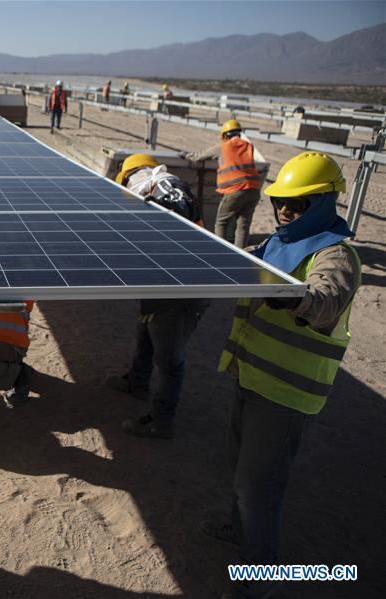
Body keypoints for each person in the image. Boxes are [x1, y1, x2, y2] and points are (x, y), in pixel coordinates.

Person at [202, 152, 361, 599]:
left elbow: (326, 298)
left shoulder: (335, 253)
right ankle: (240, 533)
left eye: (297, 205)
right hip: (253, 374)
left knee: (258, 489)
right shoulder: (281, 242)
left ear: (324, 203)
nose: (285, 212)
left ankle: (259, 579)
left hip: (287, 393)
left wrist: (290, 297)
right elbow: (246, 261)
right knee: (239, 472)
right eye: (280, 203)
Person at [106, 154, 209, 439]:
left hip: (183, 289)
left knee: (169, 360)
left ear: (136, 173)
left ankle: (162, 420)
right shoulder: (151, 189)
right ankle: (137, 383)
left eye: (126, 182)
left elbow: (176, 213)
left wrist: (149, 214)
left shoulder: (165, 184)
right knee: (145, 334)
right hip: (161, 283)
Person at [189, 119, 264, 248]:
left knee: (221, 223)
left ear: (224, 136)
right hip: (254, 189)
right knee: (243, 225)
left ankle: (221, 251)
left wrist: (187, 155)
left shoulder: (223, 147)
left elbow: (199, 156)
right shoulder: (248, 146)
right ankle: (241, 254)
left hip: (235, 190)